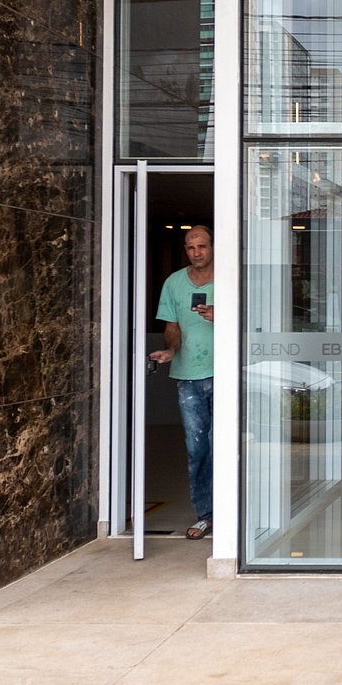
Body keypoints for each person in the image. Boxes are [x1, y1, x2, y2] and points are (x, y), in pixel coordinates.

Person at [149, 226, 215, 539]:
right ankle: (206, 515)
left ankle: (234, 513)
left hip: (225, 372)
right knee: (197, 448)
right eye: (191, 247)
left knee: (226, 444)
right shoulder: (174, 283)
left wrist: (222, 315)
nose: (196, 252)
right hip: (188, 376)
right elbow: (172, 327)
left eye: (202, 246)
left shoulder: (230, 278)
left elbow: (253, 319)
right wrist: (171, 350)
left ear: (213, 246)